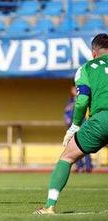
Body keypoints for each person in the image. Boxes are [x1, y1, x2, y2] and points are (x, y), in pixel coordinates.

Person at [34, 33, 108, 215]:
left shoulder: (87, 68)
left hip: (102, 120)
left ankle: (50, 206)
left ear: (93, 52)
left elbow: (82, 100)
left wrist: (74, 126)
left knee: (67, 157)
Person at [64, 85, 92, 173]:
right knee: (74, 146)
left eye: (76, 89)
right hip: (73, 126)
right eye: (73, 89)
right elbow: (66, 113)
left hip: (84, 125)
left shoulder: (84, 98)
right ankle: (79, 166)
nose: (75, 90)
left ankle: (88, 166)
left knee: (85, 146)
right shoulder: (70, 101)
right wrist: (68, 122)